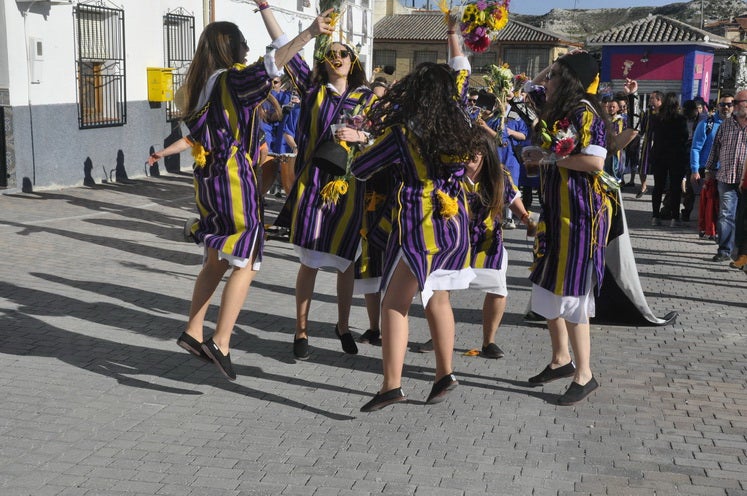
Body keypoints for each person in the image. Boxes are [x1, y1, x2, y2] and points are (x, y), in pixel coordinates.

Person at [150, 3, 332, 380]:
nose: (248, 49)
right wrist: (309, 34)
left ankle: (193, 329)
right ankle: (222, 340)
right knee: (247, 257)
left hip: (210, 177)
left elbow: (196, 134)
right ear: (228, 48)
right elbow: (271, 65)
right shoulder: (230, 80)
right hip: (234, 175)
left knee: (217, 257)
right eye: (243, 43)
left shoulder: (204, 82)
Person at [351, 18, 483, 412]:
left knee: (394, 303)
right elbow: (462, 71)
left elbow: (361, 169)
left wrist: (360, 141)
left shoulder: (403, 133)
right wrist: (453, 35)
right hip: (455, 222)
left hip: (418, 223)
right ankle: (445, 372)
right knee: (438, 299)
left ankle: (391, 384)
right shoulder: (458, 120)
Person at [522, 51, 614, 405]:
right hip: (556, 211)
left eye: (555, 74)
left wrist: (548, 157)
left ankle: (584, 373)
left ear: (571, 80)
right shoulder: (557, 109)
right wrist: (558, 64)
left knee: (573, 294)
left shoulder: (583, 112)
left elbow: (593, 160)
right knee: (548, 288)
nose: (547, 80)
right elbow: (529, 86)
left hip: (579, 215)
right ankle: (561, 358)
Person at [277, 38, 377, 359]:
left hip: (349, 190)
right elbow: (286, 52)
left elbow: (383, 135)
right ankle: (301, 330)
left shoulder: (366, 98)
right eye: (331, 54)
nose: (337, 58)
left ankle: (343, 326)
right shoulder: (312, 90)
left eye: (343, 53)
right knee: (310, 263)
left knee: (345, 263)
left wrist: (360, 135)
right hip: (313, 184)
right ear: (323, 61)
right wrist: (269, 9)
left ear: (353, 60)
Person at [463, 129, 535, 359]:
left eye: (472, 156)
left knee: (497, 288)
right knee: (440, 287)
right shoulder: (452, 173)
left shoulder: (498, 174)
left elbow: (512, 199)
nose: (467, 160)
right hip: (455, 240)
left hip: (488, 240)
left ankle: (488, 341)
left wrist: (526, 218)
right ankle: (438, 334)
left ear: (483, 154)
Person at [705, 89, 747, 263]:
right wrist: (708, 170)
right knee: (726, 214)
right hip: (727, 177)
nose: (732, 106)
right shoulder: (726, 125)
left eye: (736, 103)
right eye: (731, 103)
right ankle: (724, 250)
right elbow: (715, 149)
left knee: (743, 218)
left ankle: (740, 252)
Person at [691, 93, 733, 239]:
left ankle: (718, 232)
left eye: (729, 104)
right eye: (723, 104)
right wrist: (695, 169)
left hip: (730, 171)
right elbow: (696, 148)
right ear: (718, 106)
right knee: (710, 202)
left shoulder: (737, 125)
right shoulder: (707, 124)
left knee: (725, 205)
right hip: (709, 170)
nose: (726, 107)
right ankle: (710, 230)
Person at [650, 92, 688, 227]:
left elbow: (653, 136)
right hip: (676, 155)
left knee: (658, 186)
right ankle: (675, 218)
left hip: (659, 155)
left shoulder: (656, 118)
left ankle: (655, 216)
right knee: (675, 187)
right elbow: (684, 136)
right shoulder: (680, 119)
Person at [636, 90, 663, 198]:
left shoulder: (665, 113)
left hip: (660, 143)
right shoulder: (646, 113)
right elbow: (641, 128)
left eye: (652, 98)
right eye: (650, 98)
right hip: (647, 142)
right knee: (643, 166)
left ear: (659, 100)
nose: (650, 100)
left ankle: (659, 187)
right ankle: (643, 186)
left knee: (659, 167)